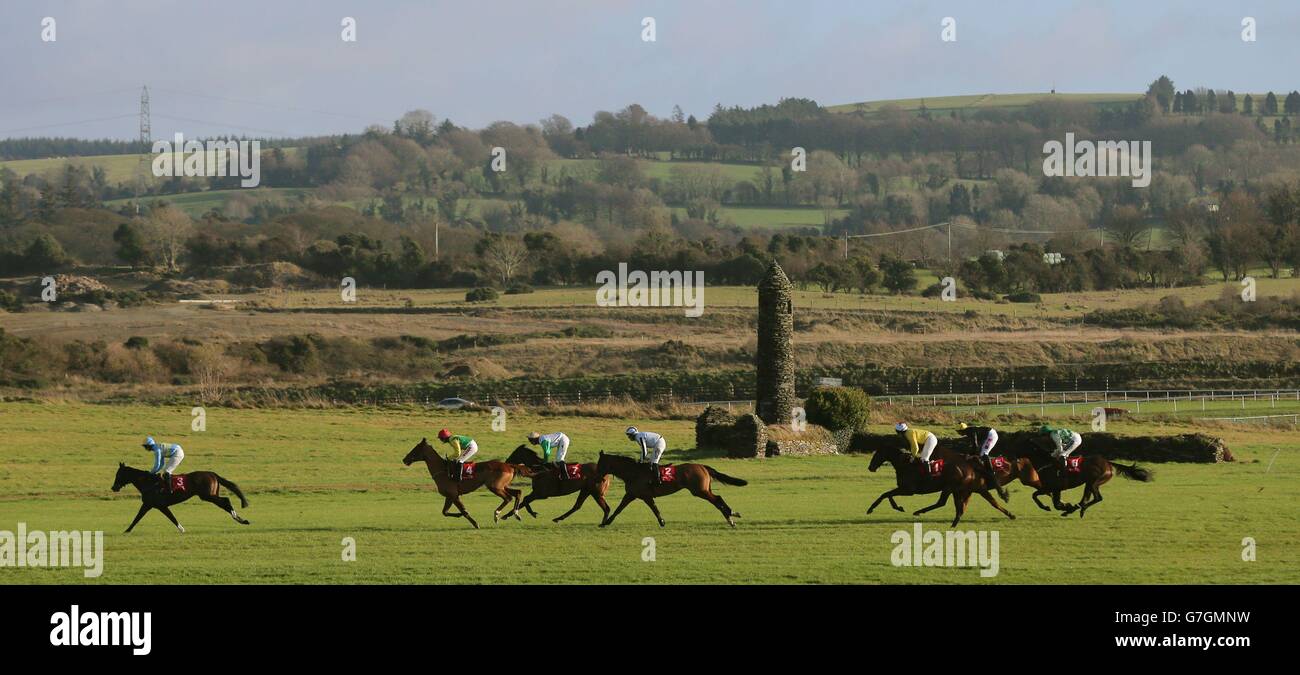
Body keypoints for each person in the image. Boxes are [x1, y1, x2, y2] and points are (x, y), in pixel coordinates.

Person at [957, 423, 1008, 499]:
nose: (958, 433)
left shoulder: (971, 432)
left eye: (959, 431)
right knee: (981, 453)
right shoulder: (969, 431)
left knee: (984, 453)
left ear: (962, 430)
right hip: (987, 435)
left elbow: (975, 445)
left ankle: (991, 472)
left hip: (991, 435)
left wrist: (969, 455)